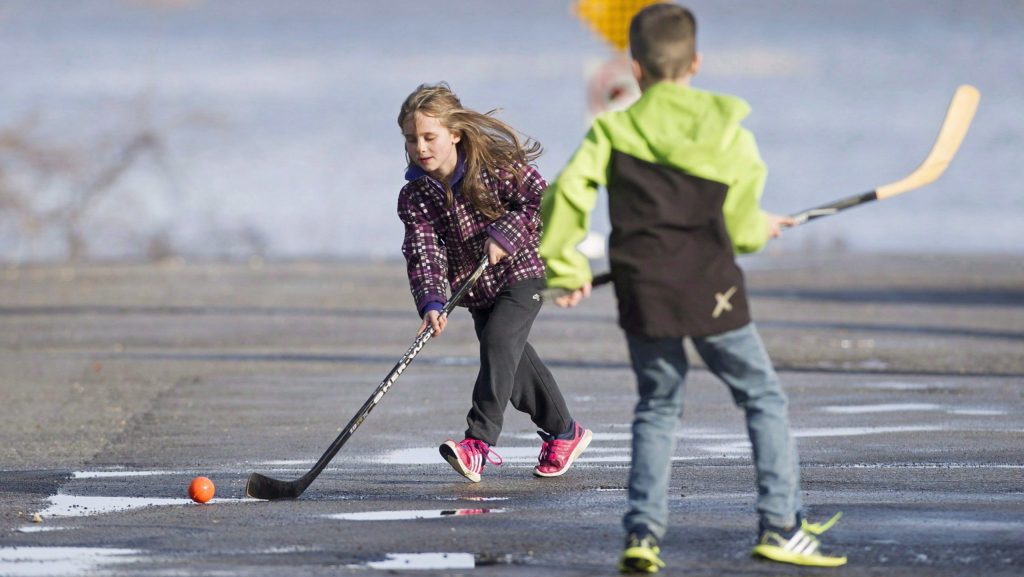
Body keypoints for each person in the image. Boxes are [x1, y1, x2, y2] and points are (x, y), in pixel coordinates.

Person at [538, 4, 846, 573]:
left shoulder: (612, 128)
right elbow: (742, 227)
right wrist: (761, 226)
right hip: (711, 289)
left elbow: (567, 195)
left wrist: (566, 268)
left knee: (658, 407)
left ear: (635, 67)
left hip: (644, 289)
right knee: (763, 398)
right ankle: (781, 525)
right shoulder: (728, 130)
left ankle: (643, 537)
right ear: (696, 62)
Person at [397, 82, 592, 484]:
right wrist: (432, 301)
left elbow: (542, 201)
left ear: (454, 133)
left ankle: (478, 444)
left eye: (429, 137)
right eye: (412, 139)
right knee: (513, 364)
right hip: (478, 288)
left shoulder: (494, 166)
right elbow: (423, 250)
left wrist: (505, 233)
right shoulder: (415, 195)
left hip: (524, 271)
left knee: (500, 343)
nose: (421, 147)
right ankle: (565, 432)